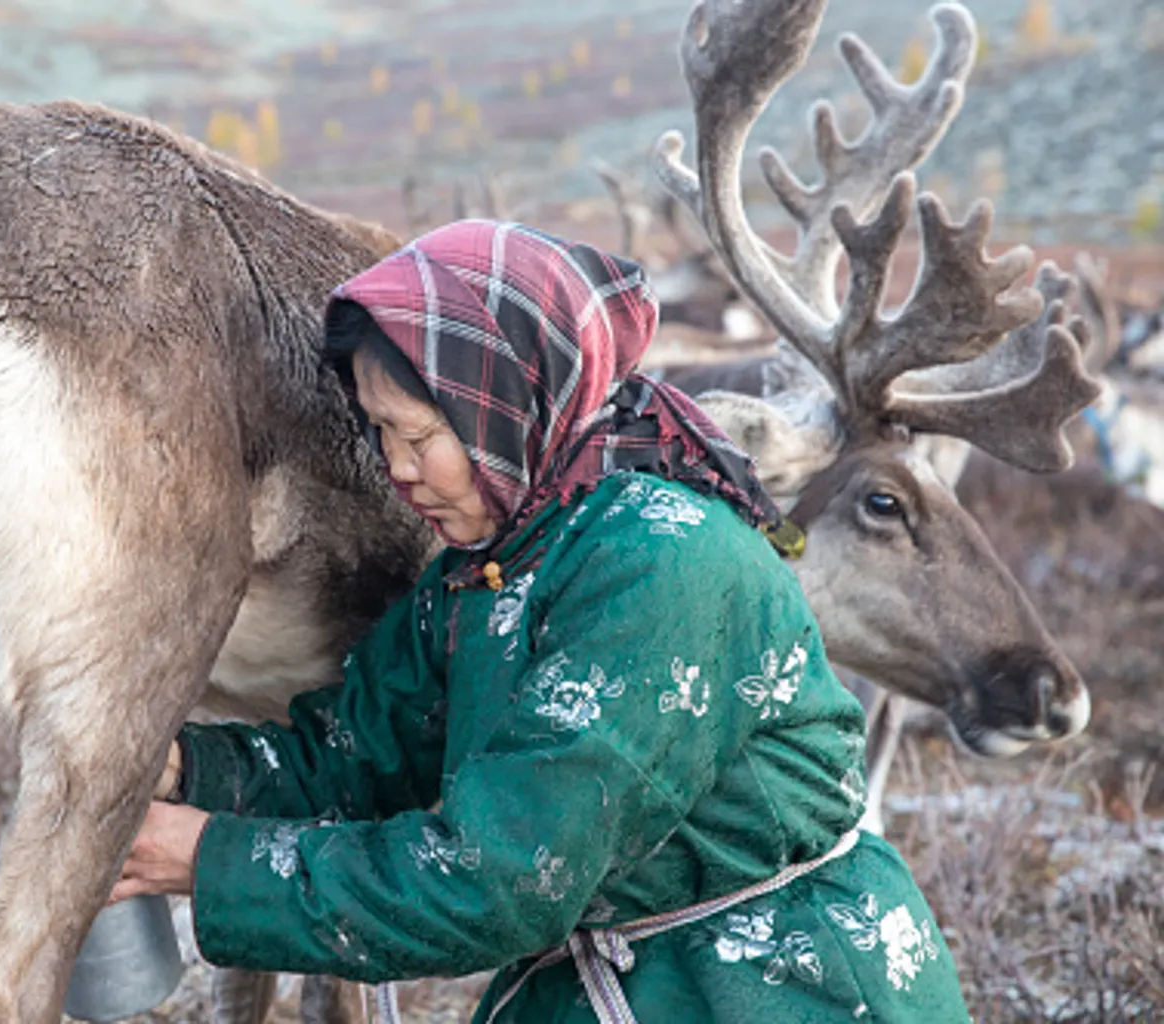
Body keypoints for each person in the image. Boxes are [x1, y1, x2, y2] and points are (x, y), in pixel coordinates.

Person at [112, 220, 970, 1022]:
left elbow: (499, 882)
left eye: (419, 435)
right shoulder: (490, 568)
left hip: (774, 991)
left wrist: (205, 859)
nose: (398, 470)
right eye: (380, 433)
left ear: (501, 409)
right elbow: (356, 757)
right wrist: (184, 768)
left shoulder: (661, 565)